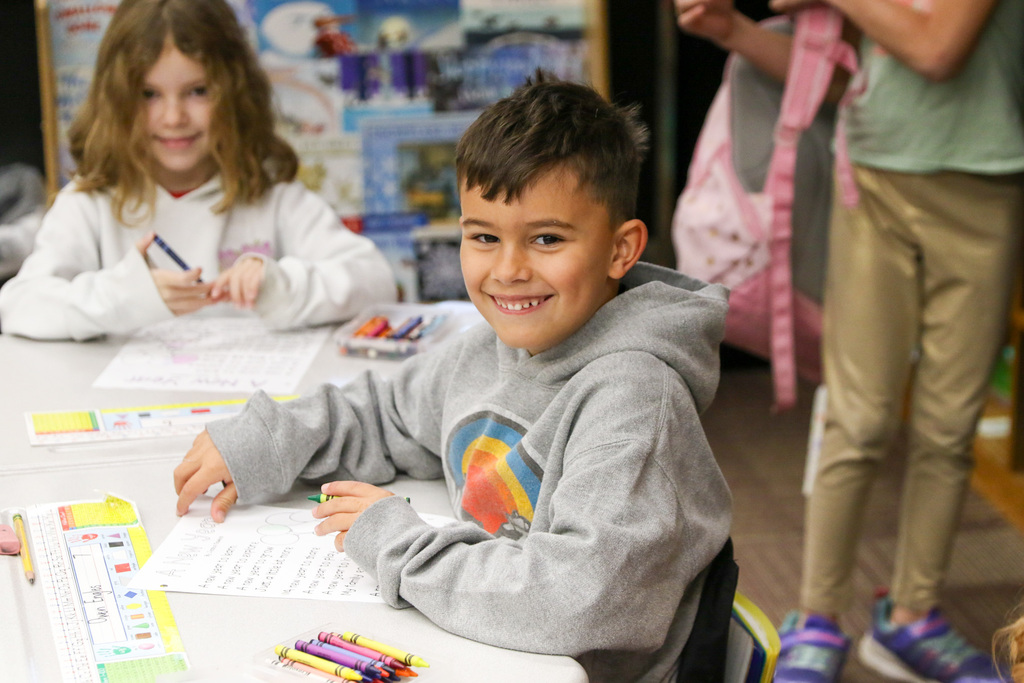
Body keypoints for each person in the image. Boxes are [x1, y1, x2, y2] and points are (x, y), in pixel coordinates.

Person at [172, 72, 733, 682]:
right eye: (484, 238)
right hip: (487, 646)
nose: (509, 270)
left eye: (546, 239)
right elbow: (386, 415)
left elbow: (580, 600)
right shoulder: (489, 347)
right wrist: (267, 440)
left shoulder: (634, 398)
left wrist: (400, 546)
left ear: (620, 251)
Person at [677, 0, 1024, 681]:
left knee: (949, 421)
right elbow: (850, 77)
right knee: (856, 416)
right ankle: (818, 614)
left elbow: (936, 48)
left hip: (987, 181)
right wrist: (737, 33)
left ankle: (912, 613)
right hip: (870, 173)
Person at [0, 0, 395, 341]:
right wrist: (125, 296)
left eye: (198, 91)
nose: (174, 117)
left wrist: (280, 286)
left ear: (235, 93)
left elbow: (376, 281)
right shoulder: (90, 202)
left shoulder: (271, 195)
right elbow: (19, 306)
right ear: (117, 98)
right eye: (149, 94)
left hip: (251, 414)